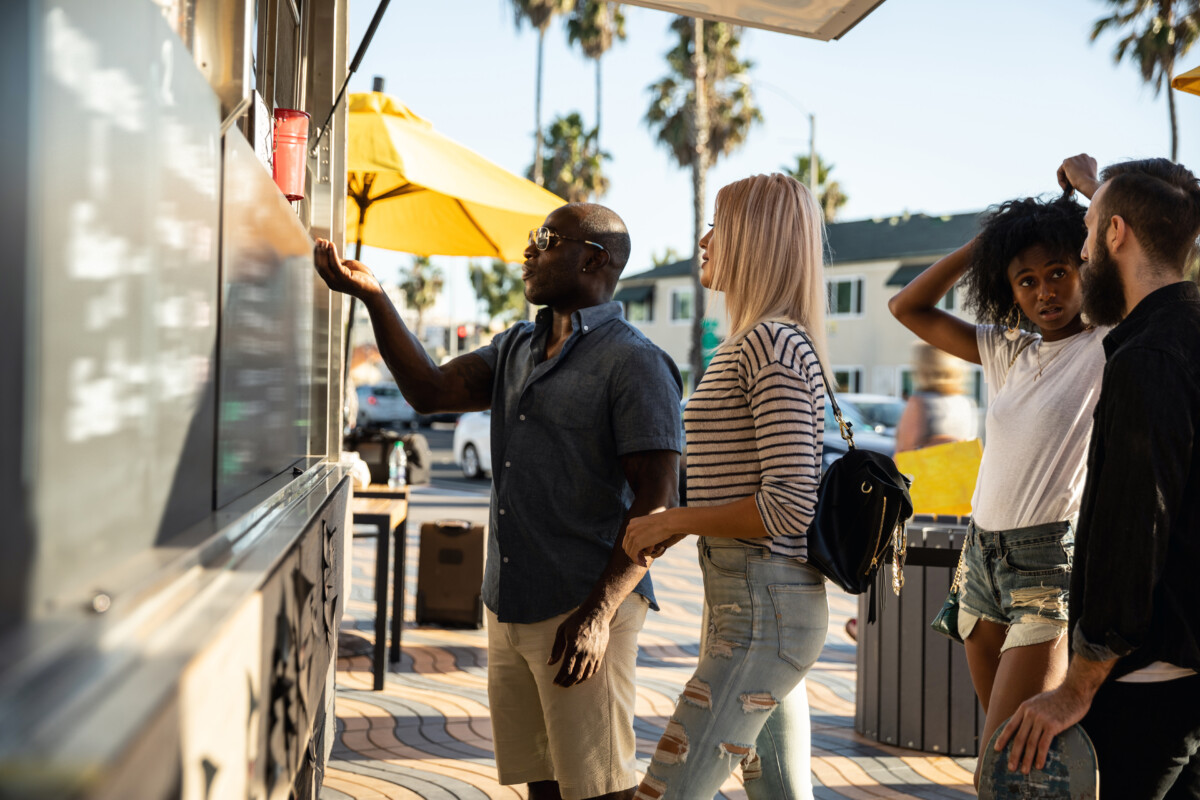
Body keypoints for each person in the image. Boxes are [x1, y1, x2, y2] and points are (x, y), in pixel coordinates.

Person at [313, 202, 683, 800]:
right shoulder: (517, 346)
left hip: (583, 608)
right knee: (541, 781)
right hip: (510, 601)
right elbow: (431, 390)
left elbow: (657, 504)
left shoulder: (635, 362)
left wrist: (597, 616)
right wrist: (374, 297)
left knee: (597, 786)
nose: (528, 251)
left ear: (593, 259)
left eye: (546, 239)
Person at [888, 188, 1105, 788]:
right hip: (981, 561)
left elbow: (1151, 262)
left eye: (1059, 273)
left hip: (1044, 567)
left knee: (1004, 767)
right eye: (1026, 281)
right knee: (1012, 769)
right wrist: (986, 245)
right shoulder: (1008, 350)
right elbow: (908, 306)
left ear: (1088, 265)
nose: (1045, 293)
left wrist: (1091, 196)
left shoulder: (1106, 345)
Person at [997, 156, 1200, 798]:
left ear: (1115, 235)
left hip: (1147, 688)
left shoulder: (1148, 360)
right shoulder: (1186, 332)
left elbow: (1133, 528)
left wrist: (1075, 687)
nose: (1080, 254)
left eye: (1086, 233)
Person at [622, 173, 830, 800]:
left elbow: (790, 504)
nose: (705, 238)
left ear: (757, 240)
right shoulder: (757, 342)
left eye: (720, 224)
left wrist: (671, 521)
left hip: (764, 614)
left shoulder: (771, 343)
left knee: (666, 792)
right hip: (750, 608)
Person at [894, 342, 977, 453]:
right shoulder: (965, 403)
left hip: (920, 469)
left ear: (923, 369)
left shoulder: (919, 402)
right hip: (955, 468)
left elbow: (904, 449)